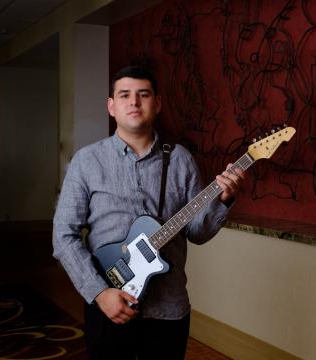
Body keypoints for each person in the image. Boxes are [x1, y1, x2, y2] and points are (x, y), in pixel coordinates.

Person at [52, 65, 245, 359]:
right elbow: (63, 236)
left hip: (168, 307)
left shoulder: (180, 159)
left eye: (143, 94)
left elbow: (197, 232)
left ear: (157, 104)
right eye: (125, 95)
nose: (134, 102)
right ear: (111, 106)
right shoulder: (87, 161)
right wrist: (99, 293)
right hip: (109, 303)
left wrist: (223, 199)